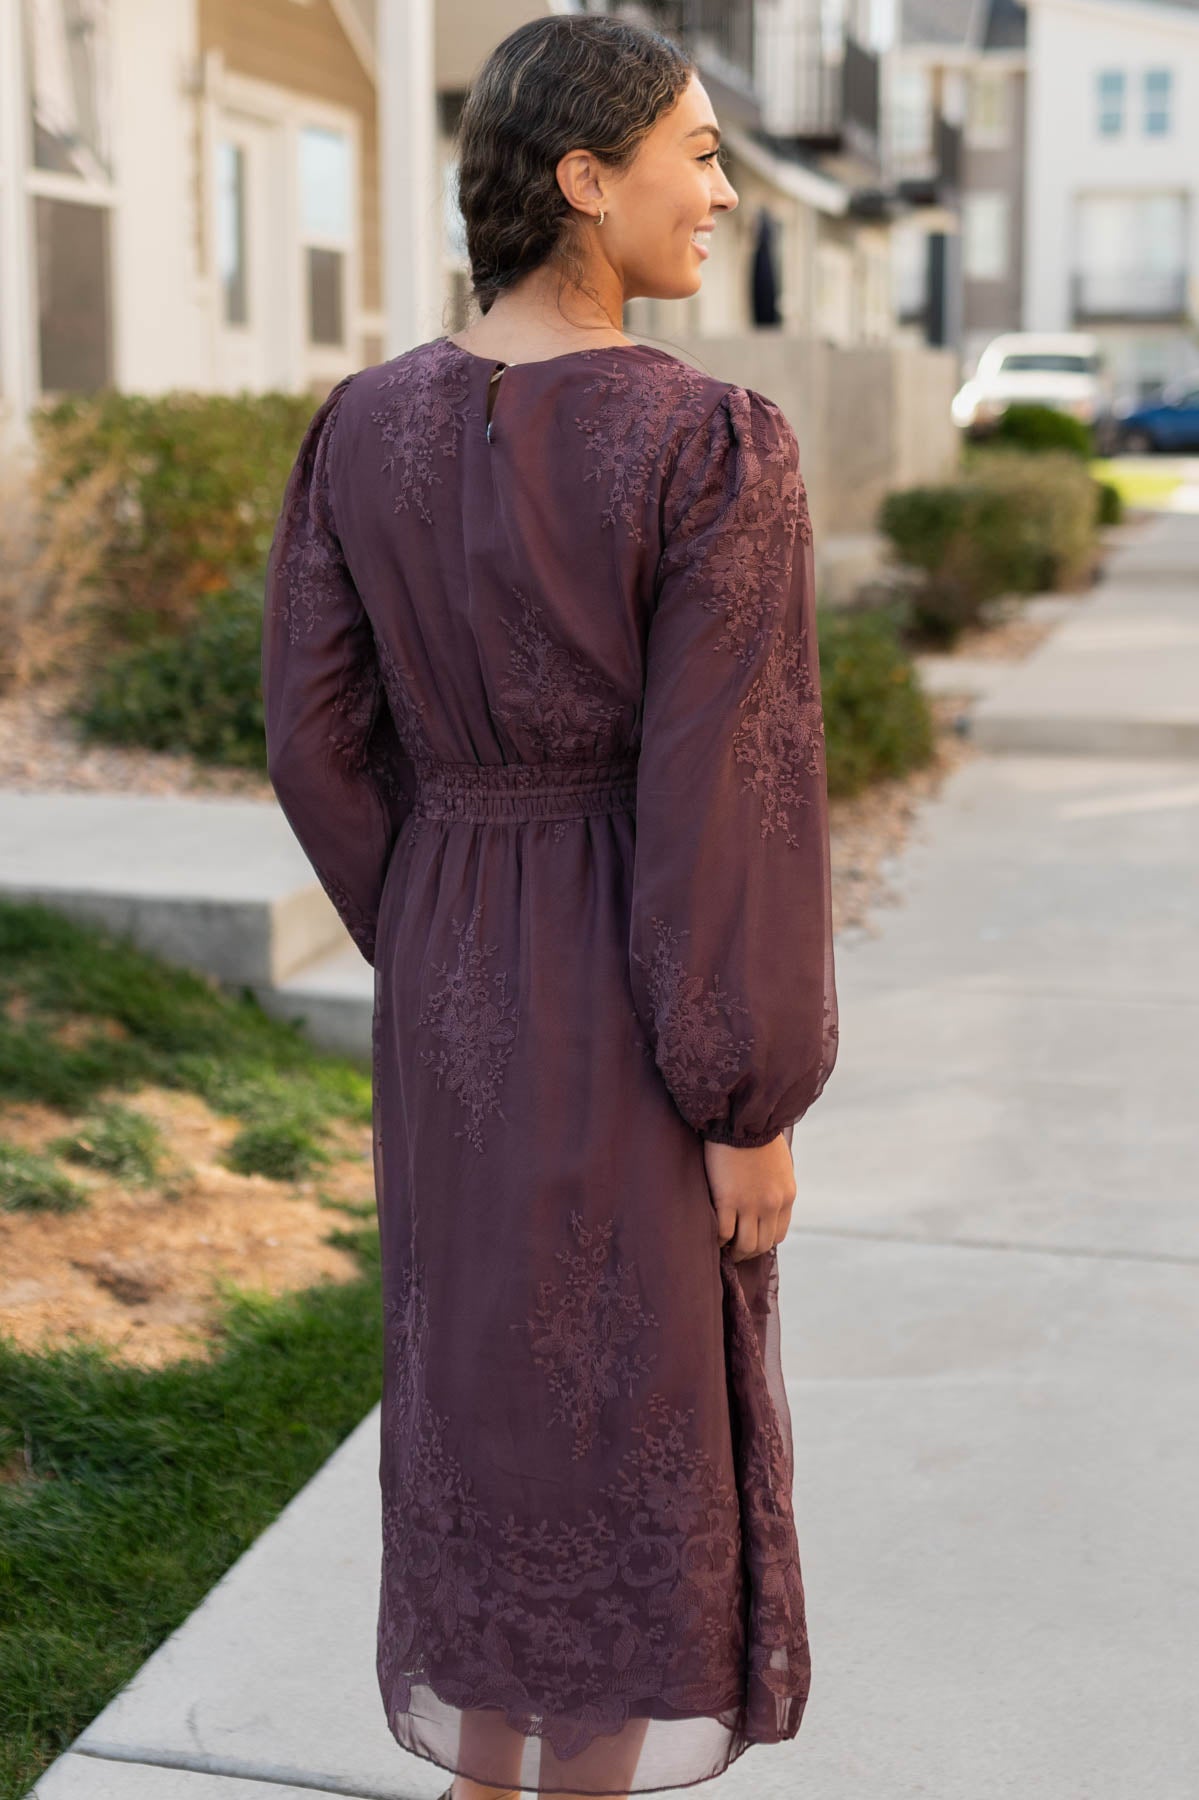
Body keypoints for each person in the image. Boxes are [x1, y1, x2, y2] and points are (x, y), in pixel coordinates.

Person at [260, 15, 839, 1800]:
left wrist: (442, 916)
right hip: (633, 1001)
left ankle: (483, 1784)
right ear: (587, 183)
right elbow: (725, 804)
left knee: (486, 1402)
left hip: (453, 990)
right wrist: (749, 1100)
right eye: (696, 152)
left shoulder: (361, 428)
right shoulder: (709, 446)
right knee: (623, 1423)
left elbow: (318, 744)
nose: (724, 191)